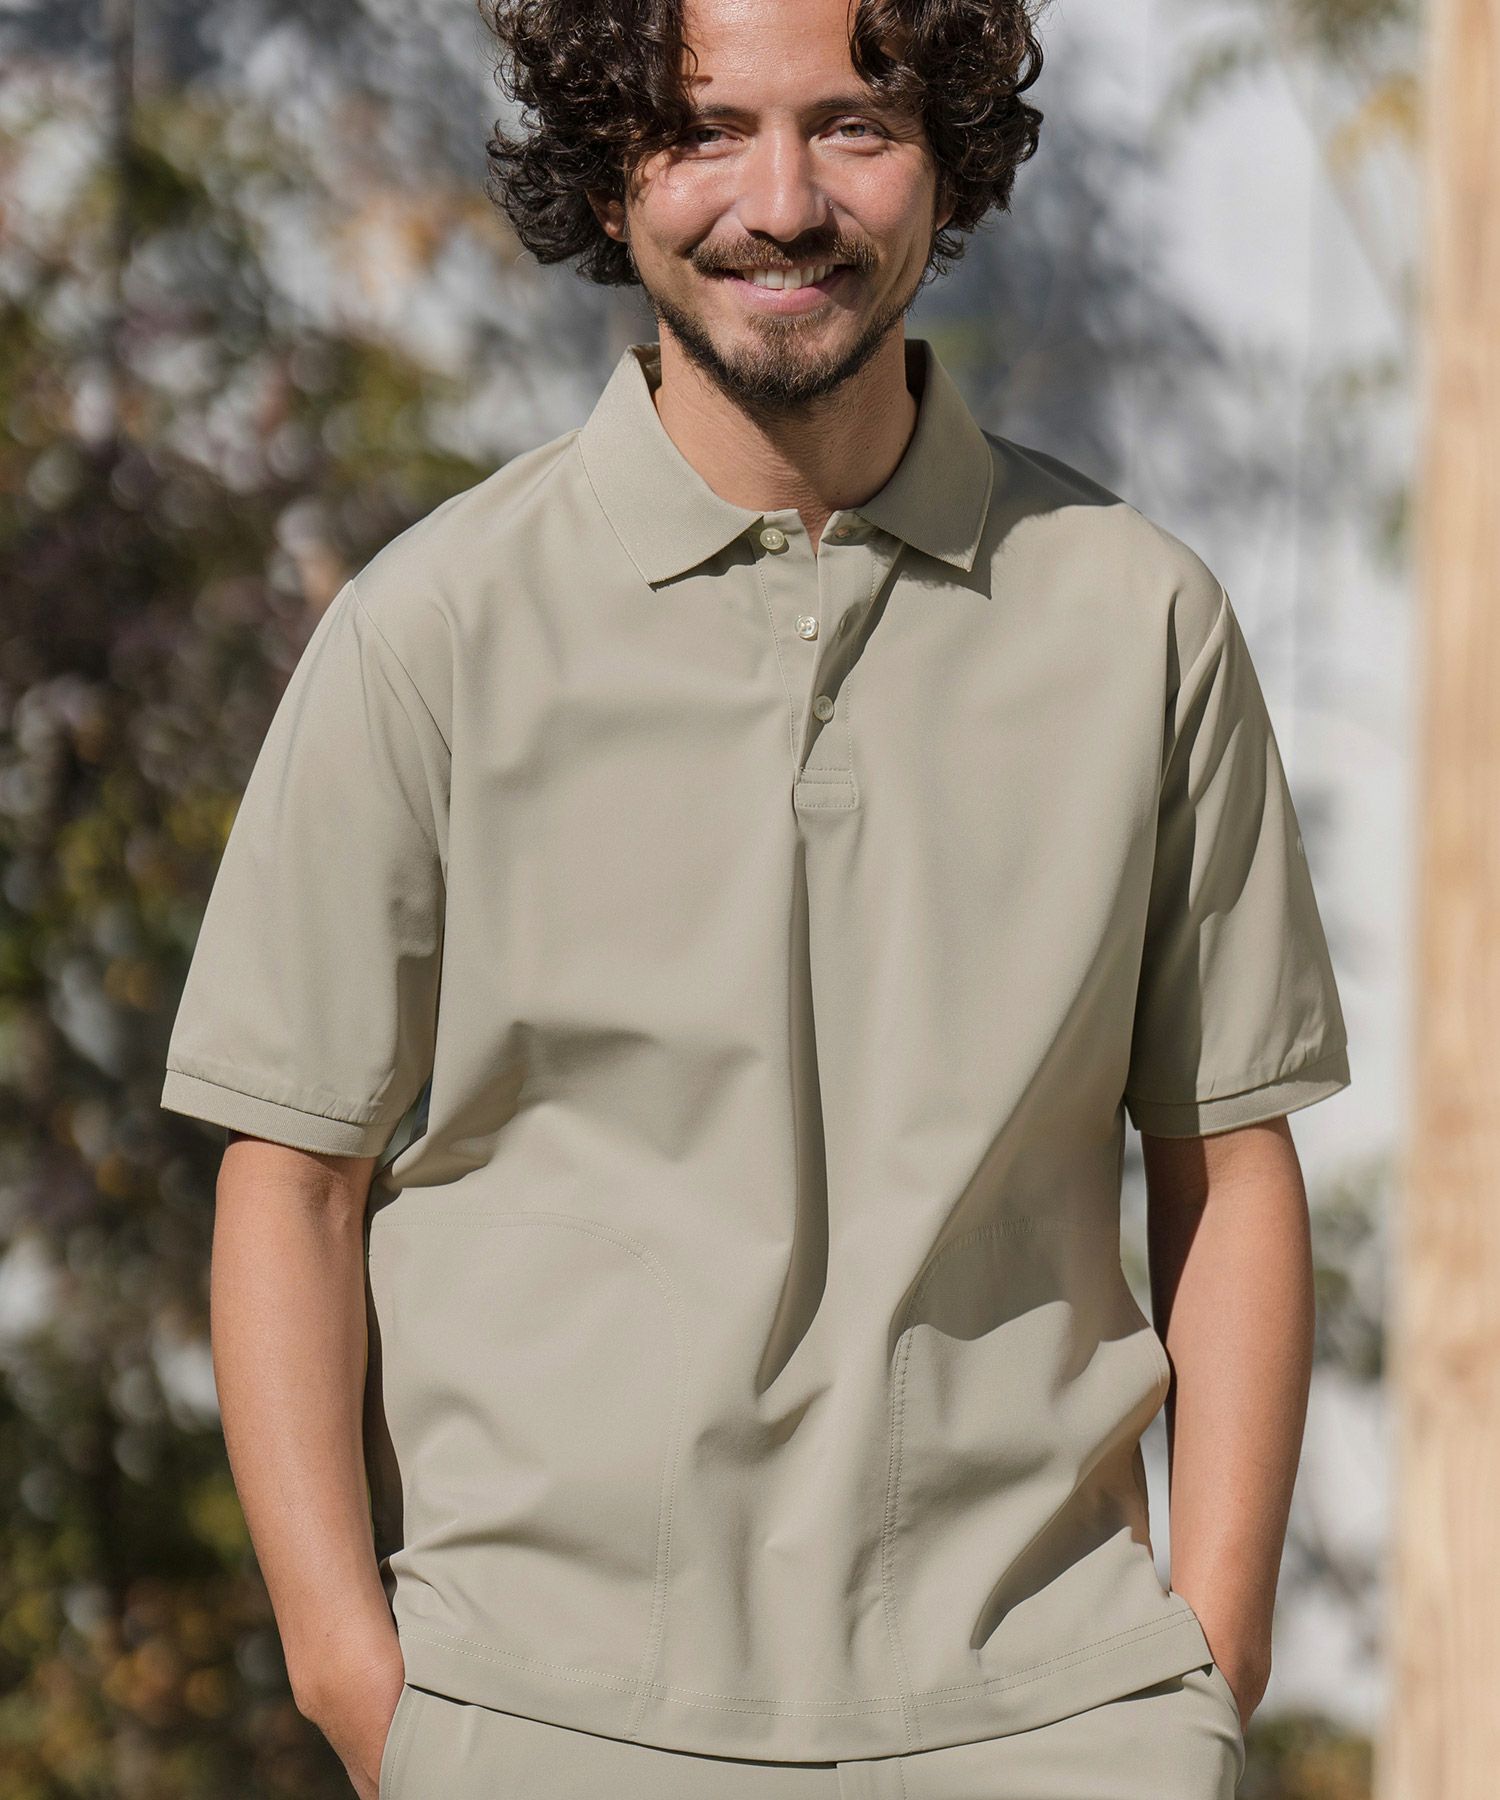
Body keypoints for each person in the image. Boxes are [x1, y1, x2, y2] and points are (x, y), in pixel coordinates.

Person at [160, 0, 1352, 1789]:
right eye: (706, 130)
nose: (782, 202)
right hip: (542, 1720)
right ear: (608, 169)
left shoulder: (1142, 622)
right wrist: (359, 1684)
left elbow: (1230, 1158)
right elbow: (291, 1174)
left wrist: (1212, 1659)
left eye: (854, 125)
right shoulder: (434, 632)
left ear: (949, 156)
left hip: (1052, 1721)